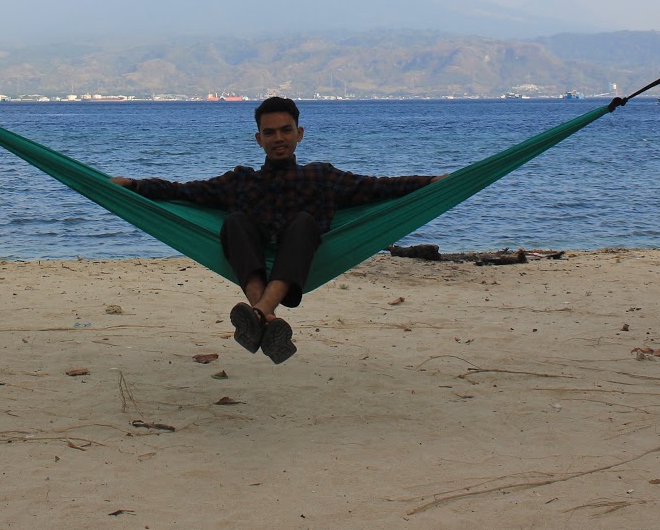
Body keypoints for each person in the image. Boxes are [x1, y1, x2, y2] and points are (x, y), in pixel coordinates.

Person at [110, 96, 442, 364]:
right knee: (235, 221)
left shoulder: (321, 177)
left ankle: (258, 313)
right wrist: (135, 184)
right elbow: (183, 191)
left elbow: (380, 187)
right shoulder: (241, 180)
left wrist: (431, 183)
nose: (278, 138)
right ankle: (264, 315)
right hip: (253, 253)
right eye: (270, 132)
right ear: (259, 139)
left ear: (300, 133)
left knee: (303, 223)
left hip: (300, 252)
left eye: (286, 130)